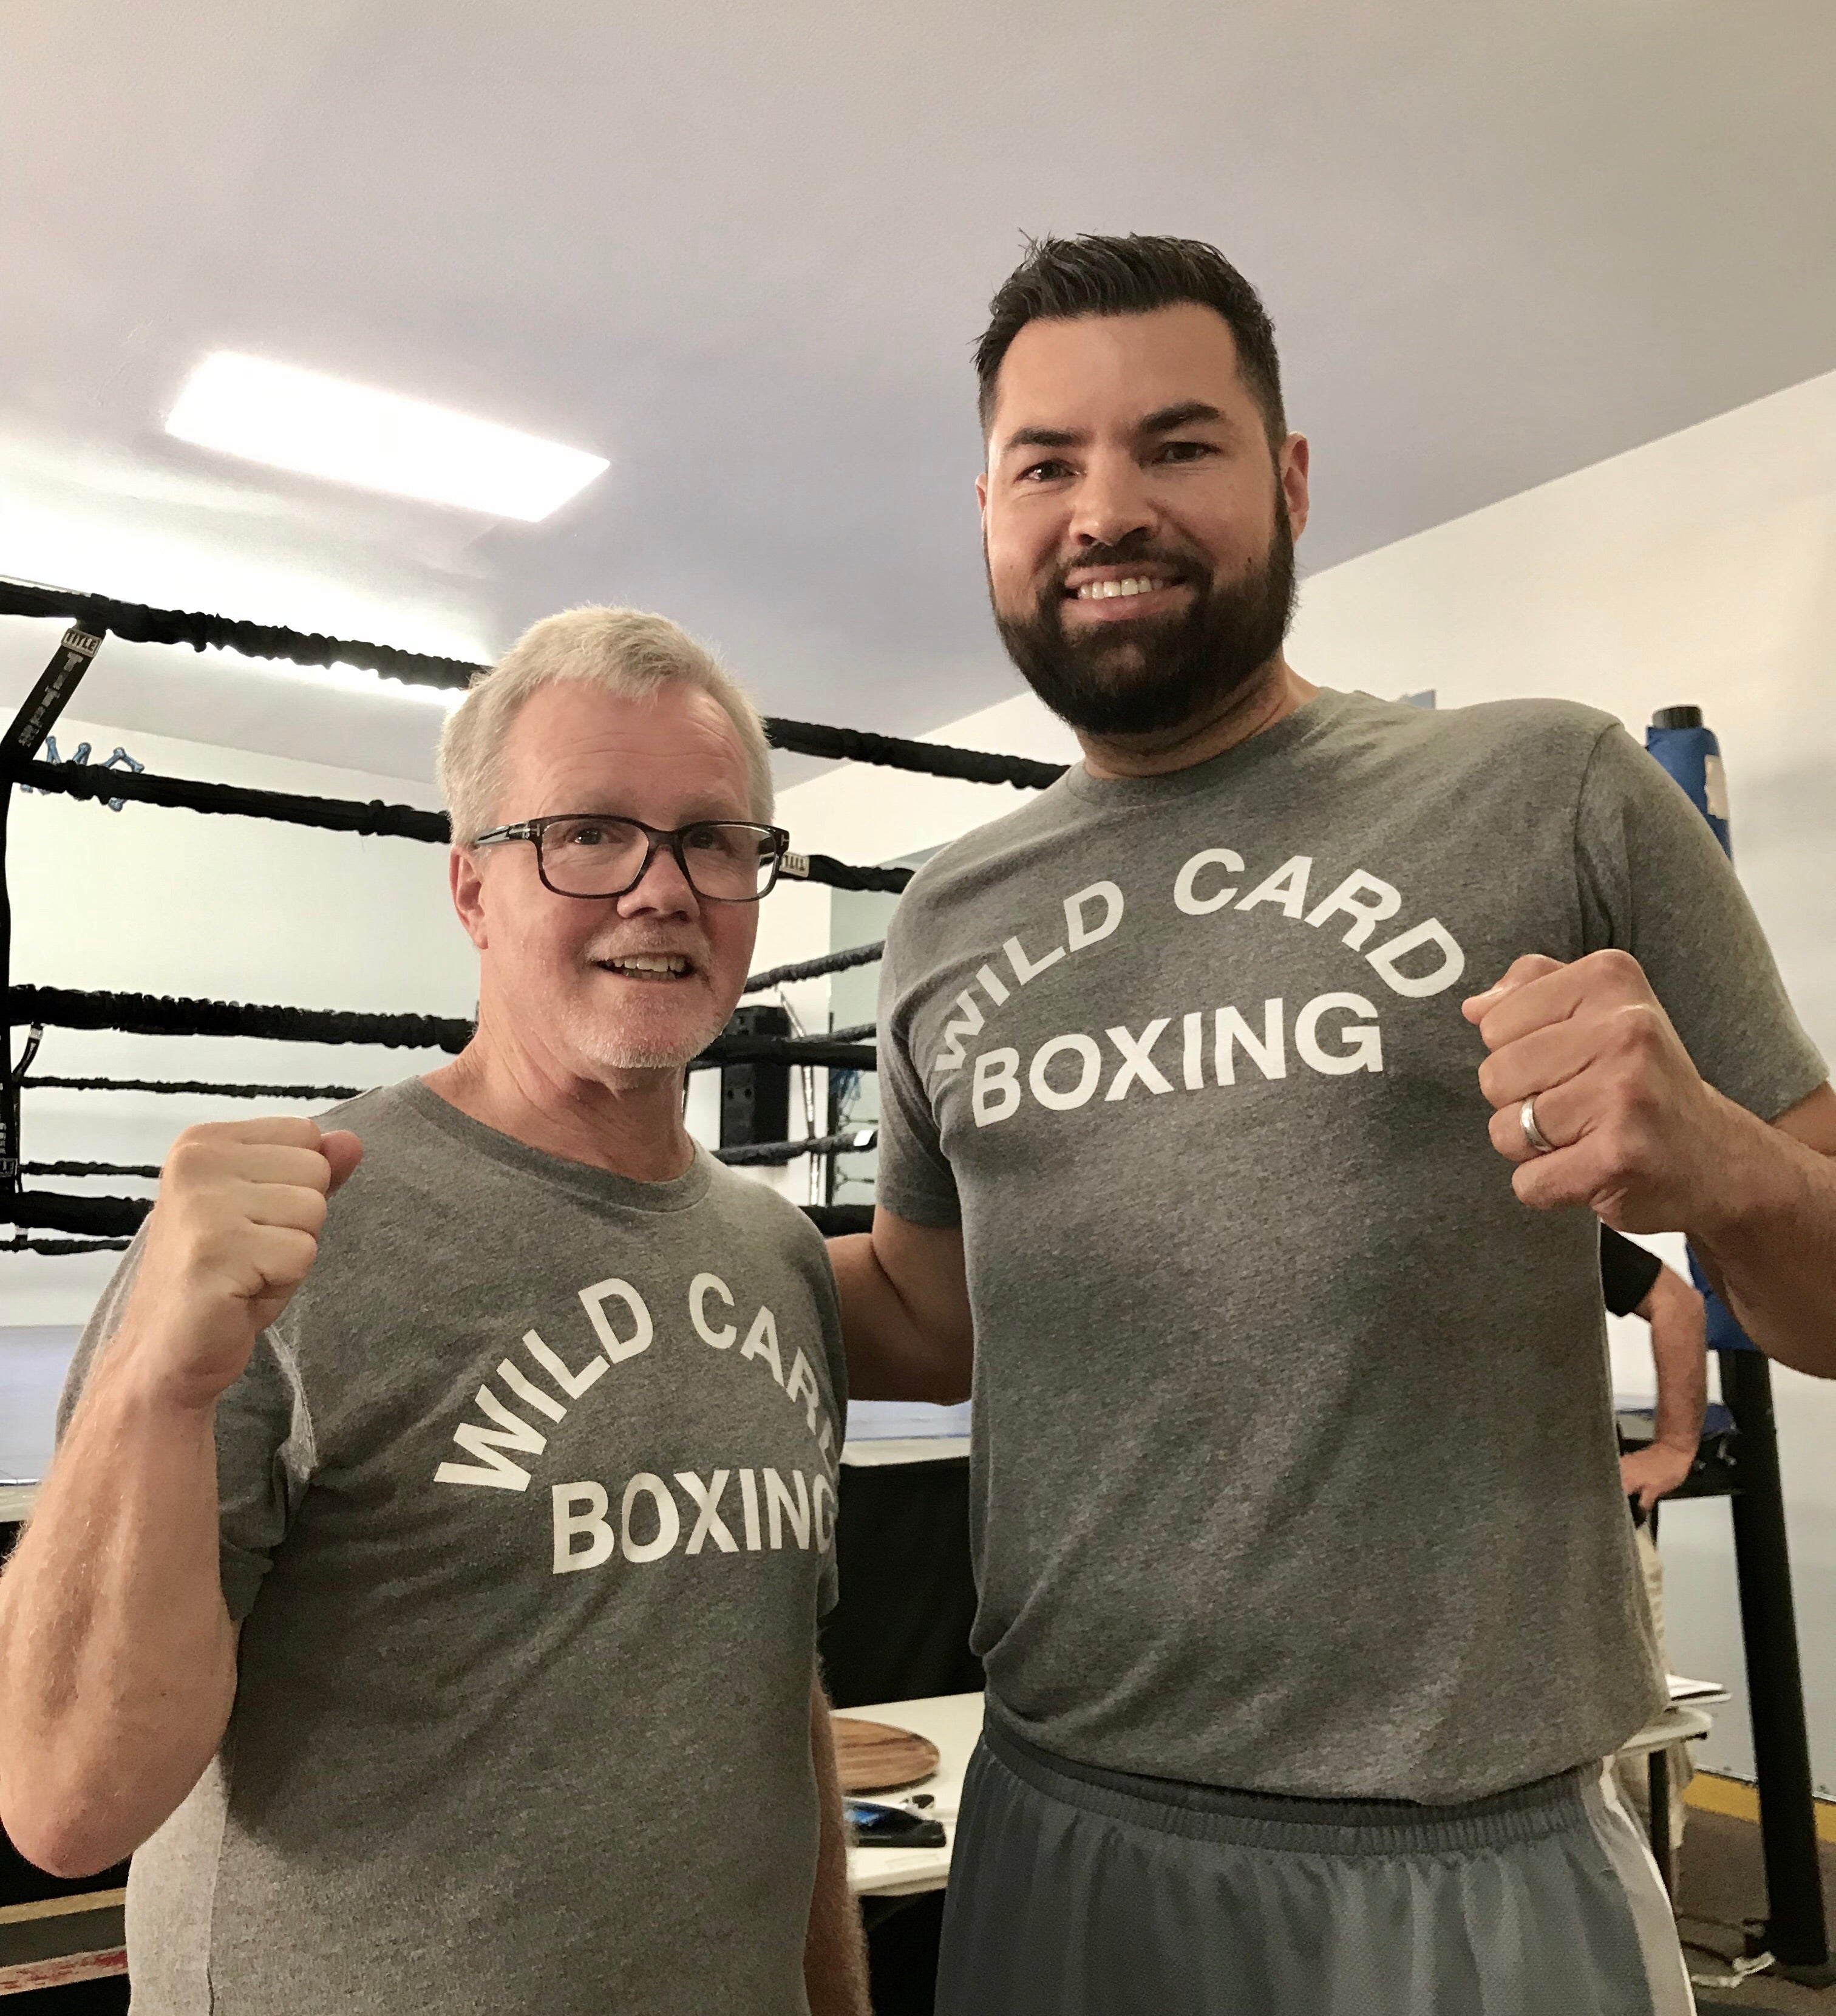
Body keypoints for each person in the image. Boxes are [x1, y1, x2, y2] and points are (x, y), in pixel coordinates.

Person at [830, 233, 1833, 2014]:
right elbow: (927, 1311)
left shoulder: (1554, 788)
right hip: (1068, 1836)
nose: (1105, 505)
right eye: (1047, 461)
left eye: (1179, 442)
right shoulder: (945, 916)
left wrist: (1727, 1164)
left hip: (1468, 1867)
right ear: (984, 506)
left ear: (1287, 480)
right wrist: (628, 1236)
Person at [0, 608, 868, 2016]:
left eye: (714, 839)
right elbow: (66, 1805)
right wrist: (153, 1392)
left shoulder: (777, 1256)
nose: (663, 889)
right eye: (587, 833)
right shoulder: (292, 1235)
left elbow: (783, 1707)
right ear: (472, 888)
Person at [1600, 1226, 1708, 1865]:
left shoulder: (1537, 1224)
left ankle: (1658, 1946)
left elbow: (1678, 1302)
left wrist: (1674, 1448)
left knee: (1642, 1766)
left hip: (1592, 1534)